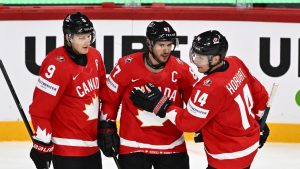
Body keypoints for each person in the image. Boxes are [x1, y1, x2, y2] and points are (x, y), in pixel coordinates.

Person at [130, 30, 270, 169]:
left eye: (201, 57)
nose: (196, 61)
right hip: (249, 144)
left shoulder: (208, 88)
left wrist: (162, 106)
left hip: (228, 155)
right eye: (195, 54)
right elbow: (260, 93)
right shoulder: (235, 63)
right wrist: (260, 120)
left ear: (215, 59)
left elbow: (188, 124)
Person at [98, 20, 198, 169]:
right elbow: (110, 100)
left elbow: (196, 104)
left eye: (169, 45)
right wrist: (107, 127)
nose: (166, 50)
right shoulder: (126, 66)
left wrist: (202, 127)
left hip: (172, 146)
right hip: (133, 146)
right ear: (149, 43)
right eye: (161, 45)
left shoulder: (182, 70)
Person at [29, 12, 106, 169]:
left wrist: (106, 127)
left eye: (89, 36)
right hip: (66, 151)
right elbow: (40, 110)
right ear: (69, 37)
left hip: (92, 146)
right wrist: (42, 143)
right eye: (81, 37)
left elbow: (103, 93)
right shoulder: (55, 65)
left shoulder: (96, 56)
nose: (87, 41)